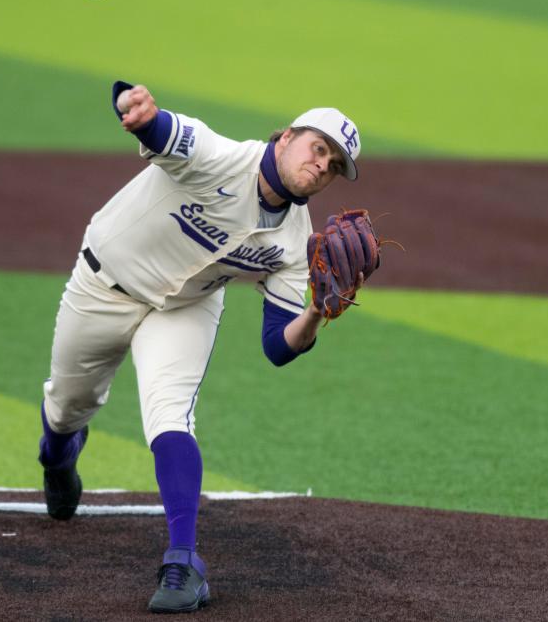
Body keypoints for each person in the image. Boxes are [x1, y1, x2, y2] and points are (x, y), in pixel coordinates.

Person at [37, 80, 362, 613]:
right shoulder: (219, 157)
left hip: (187, 307)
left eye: (333, 165)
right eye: (318, 148)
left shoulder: (297, 243)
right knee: (67, 407)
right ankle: (57, 455)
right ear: (285, 138)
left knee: (170, 417)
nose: (322, 165)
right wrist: (139, 113)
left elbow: (278, 347)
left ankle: (183, 562)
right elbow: (166, 133)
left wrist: (316, 314)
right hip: (104, 285)